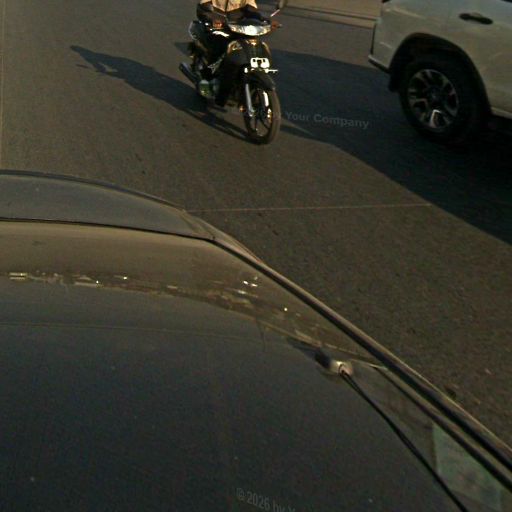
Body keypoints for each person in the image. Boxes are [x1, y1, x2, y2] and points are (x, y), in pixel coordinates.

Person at [194, 0, 269, 105]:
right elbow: (203, 6)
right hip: (218, 28)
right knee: (219, 50)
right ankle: (206, 80)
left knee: (251, 47)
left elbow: (251, 9)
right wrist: (211, 19)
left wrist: (261, 19)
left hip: (238, 28)